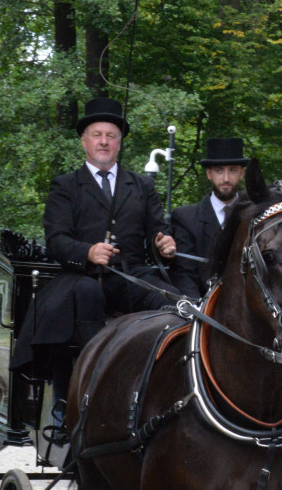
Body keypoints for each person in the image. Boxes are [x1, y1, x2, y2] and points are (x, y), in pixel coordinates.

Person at [11, 96, 178, 417]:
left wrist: (165, 246)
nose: (104, 141)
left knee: (177, 302)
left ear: (119, 143)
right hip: (81, 278)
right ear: (84, 140)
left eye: (111, 135)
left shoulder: (141, 186)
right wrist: (87, 251)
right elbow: (56, 240)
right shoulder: (65, 186)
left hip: (130, 275)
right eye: (97, 135)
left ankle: (163, 392)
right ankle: (72, 398)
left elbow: (159, 233)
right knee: (85, 296)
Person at [169, 137, 249, 298]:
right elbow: (184, 274)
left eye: (232, 170)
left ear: (241, 173)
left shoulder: (253, 215)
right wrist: (197, 313)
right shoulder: (186, 218)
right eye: (219, 170)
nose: (226, 178)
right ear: (209, 174)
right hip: (203, 309)